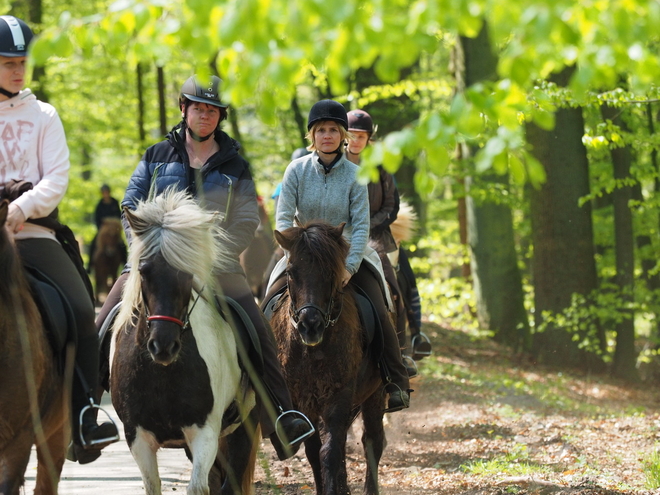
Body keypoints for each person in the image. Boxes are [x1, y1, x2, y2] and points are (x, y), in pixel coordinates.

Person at [95, 75, 314, 459]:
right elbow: (131, 204)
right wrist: (143, 254)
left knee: (256, 327)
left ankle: (281, 415)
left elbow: (247, 219)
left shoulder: (236, 165)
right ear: (184, 108)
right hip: (156, 263)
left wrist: (214, 254)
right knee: (102, 320)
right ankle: (83, 411)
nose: (205, 115)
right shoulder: (156, 155)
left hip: (217, 267)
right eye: (198, 107)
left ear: (220, 116)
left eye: (212, 110)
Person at [0, 15, 119, 464]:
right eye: (9, 62)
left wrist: (18, 209)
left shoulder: (44, 115)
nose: (18, 70)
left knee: (77, 308)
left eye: (22, 62)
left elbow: (57, 180)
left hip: (34, 234)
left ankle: (86, 412)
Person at [269, 99, 411, 412]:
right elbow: (282, 219)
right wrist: (293, 249)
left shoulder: (354, 174)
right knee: (269, 300)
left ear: (343, 135)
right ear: (312, 136)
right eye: (321, 130)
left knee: (377, 302)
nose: (327, 135)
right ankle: (264, 380)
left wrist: (348, 267)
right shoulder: (295, 170)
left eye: (334, 129)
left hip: (345, 253)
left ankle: (395, 377)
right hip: (303, 252)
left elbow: (361, 226)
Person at [345, 109, 419, 375]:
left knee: (395, 287)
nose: (354, 141)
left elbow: (391, 206)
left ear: (368, 139)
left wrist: (368, 227)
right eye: (351, 135)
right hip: (338, 238)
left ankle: (400, 353)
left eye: (360, 136)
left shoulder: (380, 167)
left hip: (375, 238)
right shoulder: (332, 163)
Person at [87, 183, 126, 272]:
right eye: (104, 192)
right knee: (93, 243)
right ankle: (90, 266)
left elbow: (119, 215)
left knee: (122, 244)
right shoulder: (100, 204)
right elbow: (97, 219)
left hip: (114, 228)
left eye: (106, 192)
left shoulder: (114, 202)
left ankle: (125, 263)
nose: (105, 194)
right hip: (103, 230)